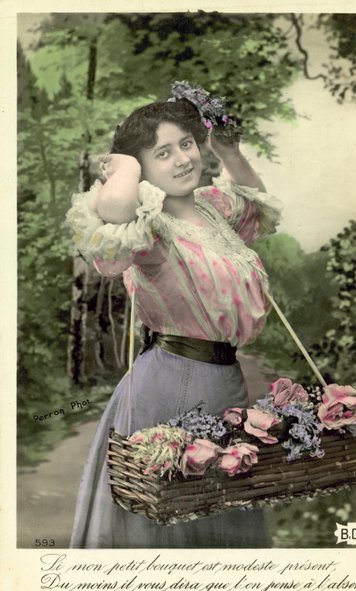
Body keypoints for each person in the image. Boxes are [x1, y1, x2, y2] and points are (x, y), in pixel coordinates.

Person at [66, 96, 282, 548]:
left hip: (226, 381)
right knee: (174, 514)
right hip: (172, 384)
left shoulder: (212, 207)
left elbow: (257, 208)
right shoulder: (150, 228)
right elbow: (115, 215)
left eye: (186, 144)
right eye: (162, 153)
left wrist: (228, 152)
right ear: (144, 169)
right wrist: (124, 168)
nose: (183, 159)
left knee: (223, 505)